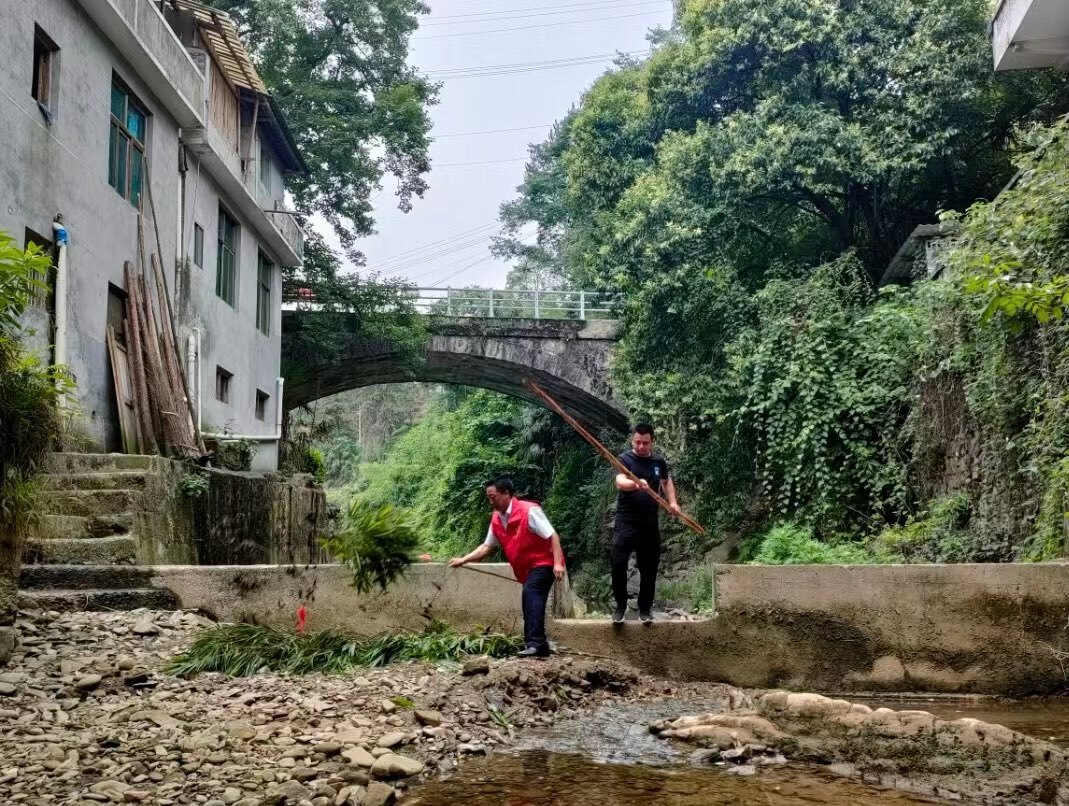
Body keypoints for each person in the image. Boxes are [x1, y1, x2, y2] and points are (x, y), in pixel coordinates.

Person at [449, 477, 566, 658]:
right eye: (488, 497)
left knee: (531, 593)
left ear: (506, 494)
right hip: (526, 569)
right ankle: (534, 644)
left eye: (493, 497)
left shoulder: (529, 511)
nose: (490, 501)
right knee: (528, 600)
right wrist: (464, 559)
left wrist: (558, 563)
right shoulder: (497, 518)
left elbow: (552, 535)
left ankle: (537, 644)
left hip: (544, 562)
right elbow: (487, 546)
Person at [612, 423, 680, 625]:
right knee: (618, 563)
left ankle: (645, 608)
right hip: (626, 521)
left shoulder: (659, 461)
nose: (641, 446)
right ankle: (620, 607)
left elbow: (666, 481)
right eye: (637, 442)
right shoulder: (625, 459)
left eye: (645, 442)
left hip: (649, 523)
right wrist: (636, 484)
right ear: (632, 440)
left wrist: (673, 502)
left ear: (652, 441)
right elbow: (620, 482)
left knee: (649, 567)